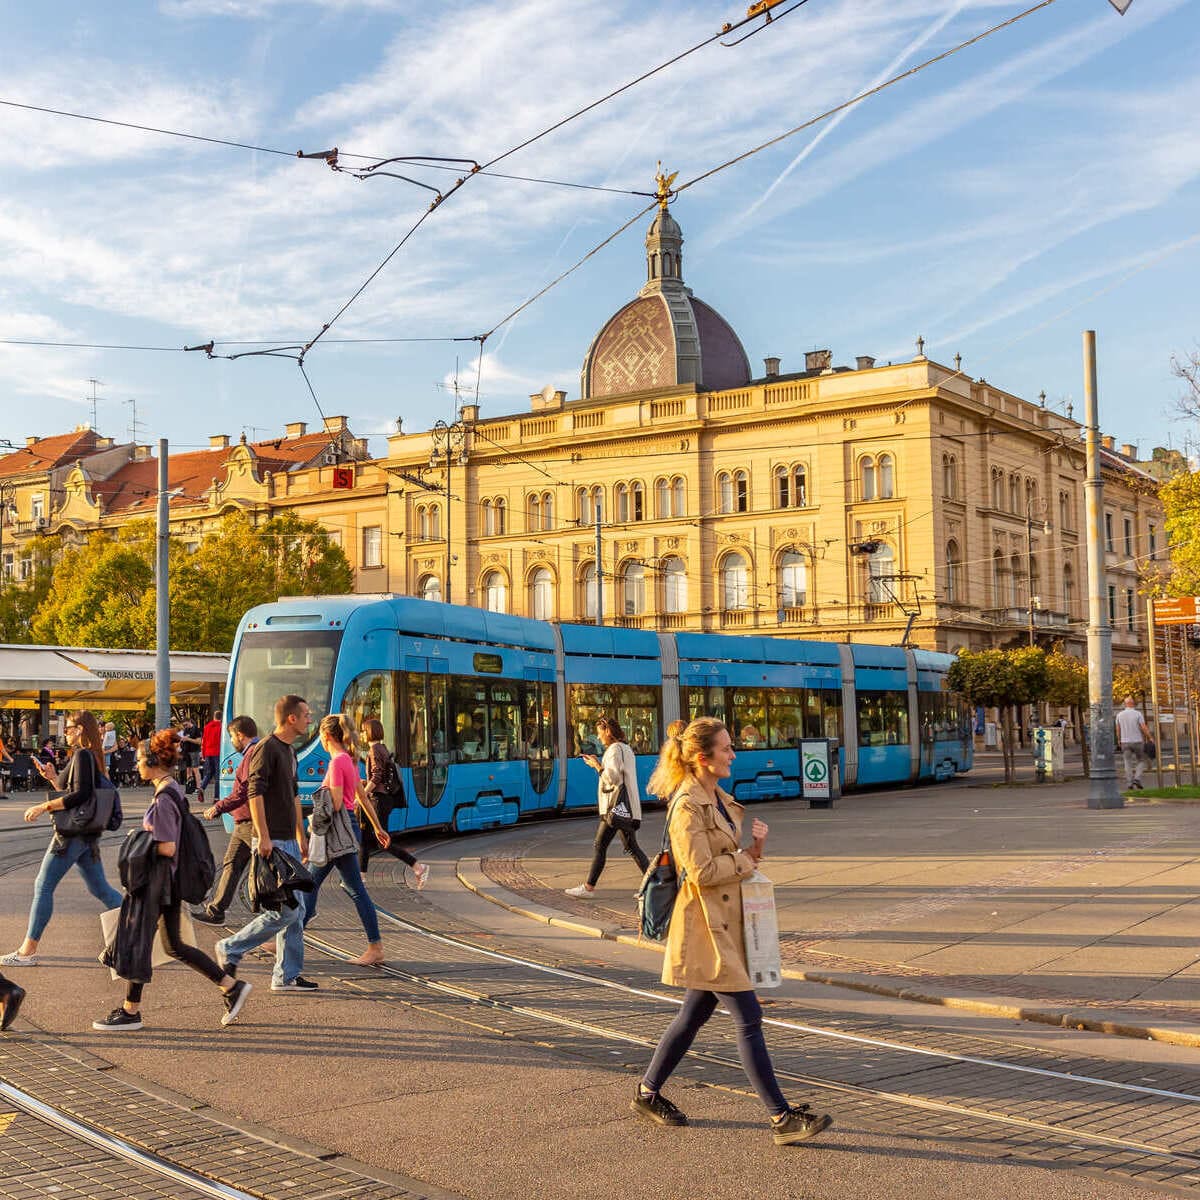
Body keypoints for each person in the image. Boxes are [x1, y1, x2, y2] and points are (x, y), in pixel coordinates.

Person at [631, 717, 832, 1146]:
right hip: (706, 925)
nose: (733, 755)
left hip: (724, 920)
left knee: (694, 1014)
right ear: (703, 759)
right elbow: (700, 870)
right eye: (725, 749)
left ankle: (647, 1093)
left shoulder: (715, 796)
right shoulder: (687, 805)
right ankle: (780, 1118)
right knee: (748, 1017)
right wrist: (745, 862)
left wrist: (751, 852)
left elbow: (726, 857)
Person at [92, 729, 251, 1031]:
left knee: (139, 942)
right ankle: (230, 986)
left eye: (140, 760)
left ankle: (130, 1012)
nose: (136, 764)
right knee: (173, 944)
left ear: (153, 761)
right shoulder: (172, 788)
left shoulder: (164, 798)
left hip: (158, 881)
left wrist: (137, 839)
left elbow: (167, 846)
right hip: (167, 882)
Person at [1, 711, 124, 967]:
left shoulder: (82, 754)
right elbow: (78, 794)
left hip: (72, 835)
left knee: (43, 886)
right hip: (86, 834)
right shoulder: (91, 756)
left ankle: (27, 951)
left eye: (68, 728)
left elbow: (80, 796)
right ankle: (143, 924)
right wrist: (53, 778)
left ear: (80, 729)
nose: (65, 732)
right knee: (100, 889)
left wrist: (43, 807)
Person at [215, 695, 316, 992]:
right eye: (306, 714)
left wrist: (301, 834)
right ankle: (231, 947)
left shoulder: (290, 752)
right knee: (286, 912)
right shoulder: (267, 749)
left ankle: (286, 976)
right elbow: (254, 794)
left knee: (296, 913)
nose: (310, 719)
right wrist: (263, 836)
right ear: (291, 718)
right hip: (273, 841)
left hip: (289, 840)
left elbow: (294, 797)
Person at [302, 715, 388, 966]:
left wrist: (312, 819)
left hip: (336, 830)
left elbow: (337, 803)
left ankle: (376, 948)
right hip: (346, 828)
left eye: (320, 734)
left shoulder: (337, 763)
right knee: (312, 882)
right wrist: (378, 827)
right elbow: (361, 797)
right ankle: (288, 936)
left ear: (326, 736)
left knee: (348, 889)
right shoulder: (348, 760)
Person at [565, 716, 649, 898]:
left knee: (600, 845)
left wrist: (596, 765)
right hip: (627, 808)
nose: (598, 737)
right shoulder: (626, 748)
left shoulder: (613, 750)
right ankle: (653, 886)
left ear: (608, 731)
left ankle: (588, 888)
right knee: (632, 847)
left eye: (600, 732)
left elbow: (613, 778)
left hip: (615, 808)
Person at [192, 715, 259, 925]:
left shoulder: (251, 755)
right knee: (232, 864)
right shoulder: (254, 752)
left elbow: (243, 792)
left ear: (240, 735)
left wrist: (218, 807)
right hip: (244, 822)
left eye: (231, 736)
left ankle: (287, 910)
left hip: (250, 821)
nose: (231, 741)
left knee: (264, 870)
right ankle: (216, 910)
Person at [359, 717, 429, 888]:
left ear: (369, 732)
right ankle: (360, 878)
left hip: (379, 800)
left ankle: (417, 866)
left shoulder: (374, 750)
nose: (361, 734)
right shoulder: (382, 748)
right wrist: (364, 784)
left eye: (363, 730)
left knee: (382, 840)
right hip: (383, 798)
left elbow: (377, 776)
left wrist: (362, 794)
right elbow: (379, 776)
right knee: (364, 838)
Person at [1116, 695, 1150, 790]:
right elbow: (1143, 727)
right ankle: (1137, 778)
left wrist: (1119, 740)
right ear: (1133, 704)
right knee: (1142, 760)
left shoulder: (1119, 715)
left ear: (1125, 704)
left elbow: (1118, 729)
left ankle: (1130, 783)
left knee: (1127, 762)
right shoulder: (1138, 714)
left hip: (1125, 742)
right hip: (1137, 741)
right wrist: (1150, 737)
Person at [198, 711, 222, 808]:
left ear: (214, 717)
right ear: (221, 717)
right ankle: (216, 798)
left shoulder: (207, 726)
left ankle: (202, 788)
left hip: (208, 753)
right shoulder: (221, 727)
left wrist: (203, 755)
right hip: (217, 753)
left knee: (208, 773)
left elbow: (203, 741)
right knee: (218, 776)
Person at [179, 717, 203, 796]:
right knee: (188, 770)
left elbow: (199, 742)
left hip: (194, 751)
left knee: (195, 770)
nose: (185, 727)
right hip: (187, 752)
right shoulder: (186, 730)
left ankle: (198, 788)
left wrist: (188, 739)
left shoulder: (196, 729)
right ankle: (189, 787)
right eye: (184, 725)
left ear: (189, 721)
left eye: (186, 724)